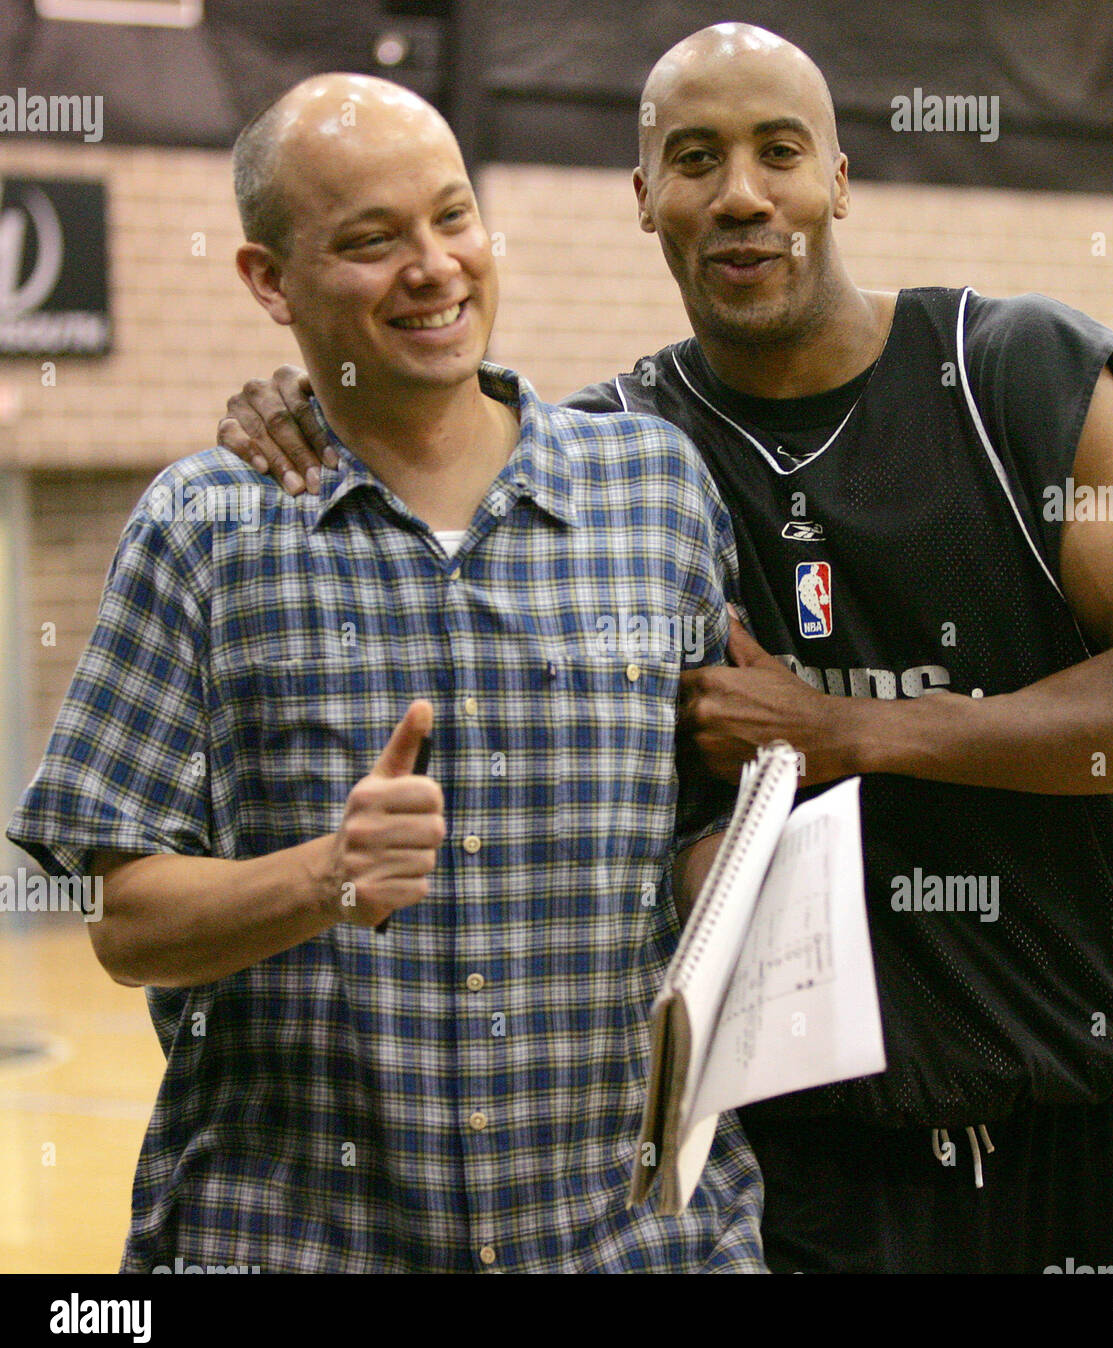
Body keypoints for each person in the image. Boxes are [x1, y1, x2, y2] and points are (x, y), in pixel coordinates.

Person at [211, 26, 1113, 1274]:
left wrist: (854, 733)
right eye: (695, 158)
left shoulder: (1015, 377)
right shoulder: (613, 460)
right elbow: (427, 428)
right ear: (645, 199)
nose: (741, 194)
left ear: (837, 178)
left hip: (1076, 1135)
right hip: (801, 1181)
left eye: (779, 151)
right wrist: (302, 396)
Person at [5, 72, 766, 1273]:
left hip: (635, 1246)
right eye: (370, 240)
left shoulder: (654, 494)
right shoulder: (203, 531)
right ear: (269, 280)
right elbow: (122, 919)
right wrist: (325, 875)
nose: (433, 267)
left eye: (451, 217)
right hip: (298, 1242)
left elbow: (703, 829)